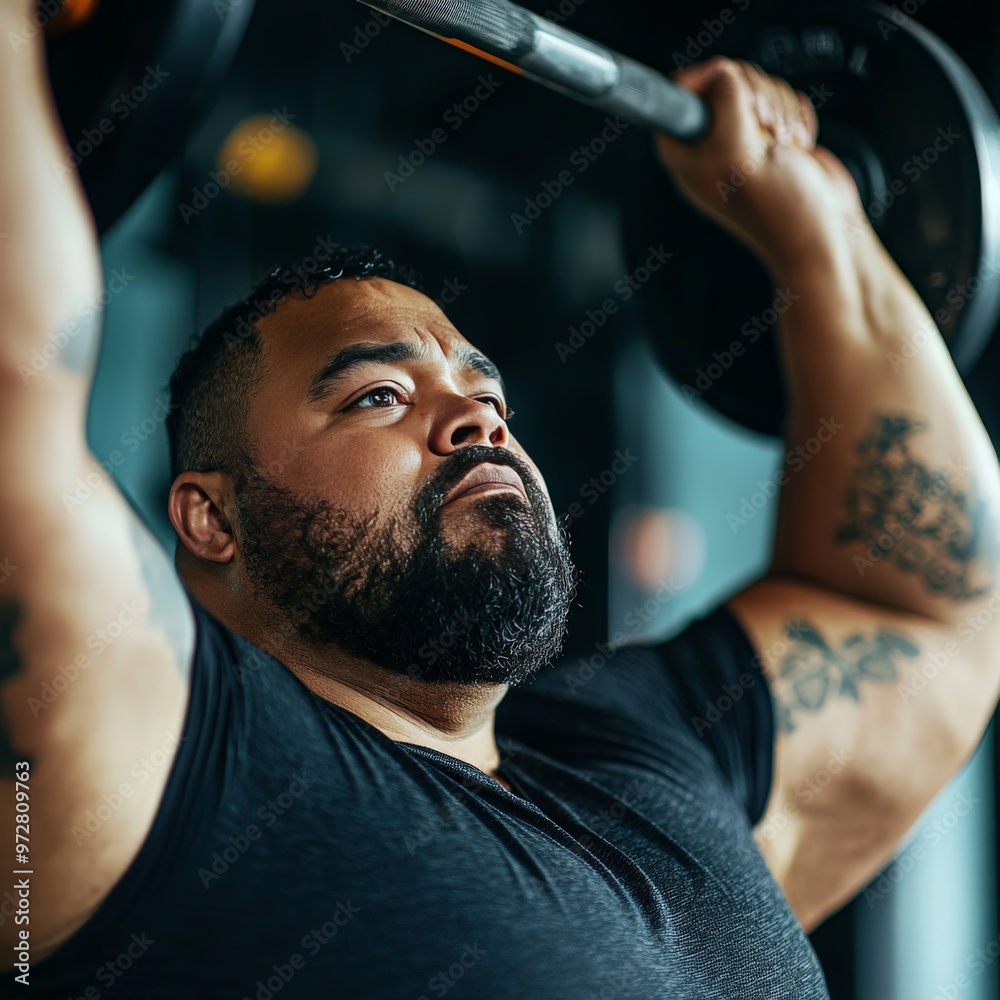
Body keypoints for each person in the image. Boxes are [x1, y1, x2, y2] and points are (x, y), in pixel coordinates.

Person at [1, 0, 998, 992]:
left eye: (486, 393)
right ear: (210, 517)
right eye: (378, 394)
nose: (476, 422)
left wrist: (816, 231)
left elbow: (929, 605)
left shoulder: (640, 754)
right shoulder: (183, 760)